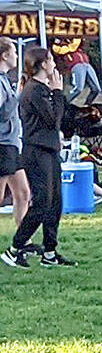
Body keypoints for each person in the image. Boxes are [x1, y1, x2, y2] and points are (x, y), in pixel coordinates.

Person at [2, 46, 72, 267]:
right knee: (41, 202)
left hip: (50, 150)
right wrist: (58, 92)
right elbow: (53, 119)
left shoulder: (44, 89)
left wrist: (56, 93)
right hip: (36, 151)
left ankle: (50, 252)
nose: (54, 64)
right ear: (42, 64)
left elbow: (63, 117)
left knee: (55, 203)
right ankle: (15, 248)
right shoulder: (34, 90)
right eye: (50, 60)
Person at [0, 40, 31, 237]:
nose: (17, 56)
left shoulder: (5, 79)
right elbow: (3, 113)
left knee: (23, 193)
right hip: (2, 144)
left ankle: (22, 241)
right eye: (13, 52)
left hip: (12, 144)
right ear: (4, 55)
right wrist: (18, 96)